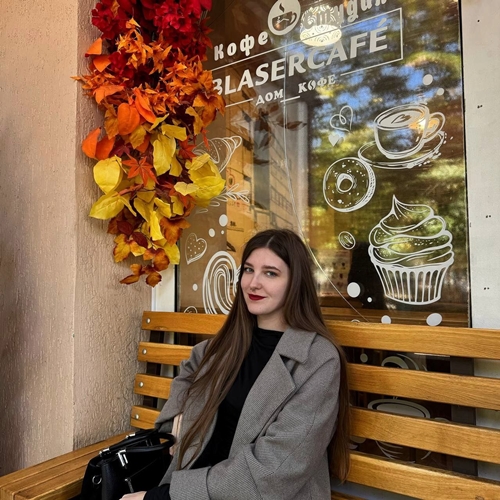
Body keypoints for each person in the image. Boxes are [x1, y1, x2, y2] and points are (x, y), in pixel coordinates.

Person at [123, 229, 350, 500]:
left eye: (270, 273)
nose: (253, 283)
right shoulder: (229, 342)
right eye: (248, 270)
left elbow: (272, 471)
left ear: (295, 283)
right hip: (196, 484)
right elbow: (189, 371)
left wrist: (160, 498)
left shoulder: (318, 359)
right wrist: (178, 417)